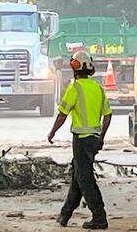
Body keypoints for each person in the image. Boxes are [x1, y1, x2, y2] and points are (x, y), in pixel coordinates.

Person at [47, 51, 111, 229]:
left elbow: (62, 114)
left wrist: (52, 132)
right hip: (94, 139)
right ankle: (65, 214)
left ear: (75, 68)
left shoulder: (74, 88)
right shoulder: (97, 88)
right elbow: (108, 115)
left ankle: (99, 216)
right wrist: (101, 138)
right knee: (78, 175)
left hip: (81, 140)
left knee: (85, 179)